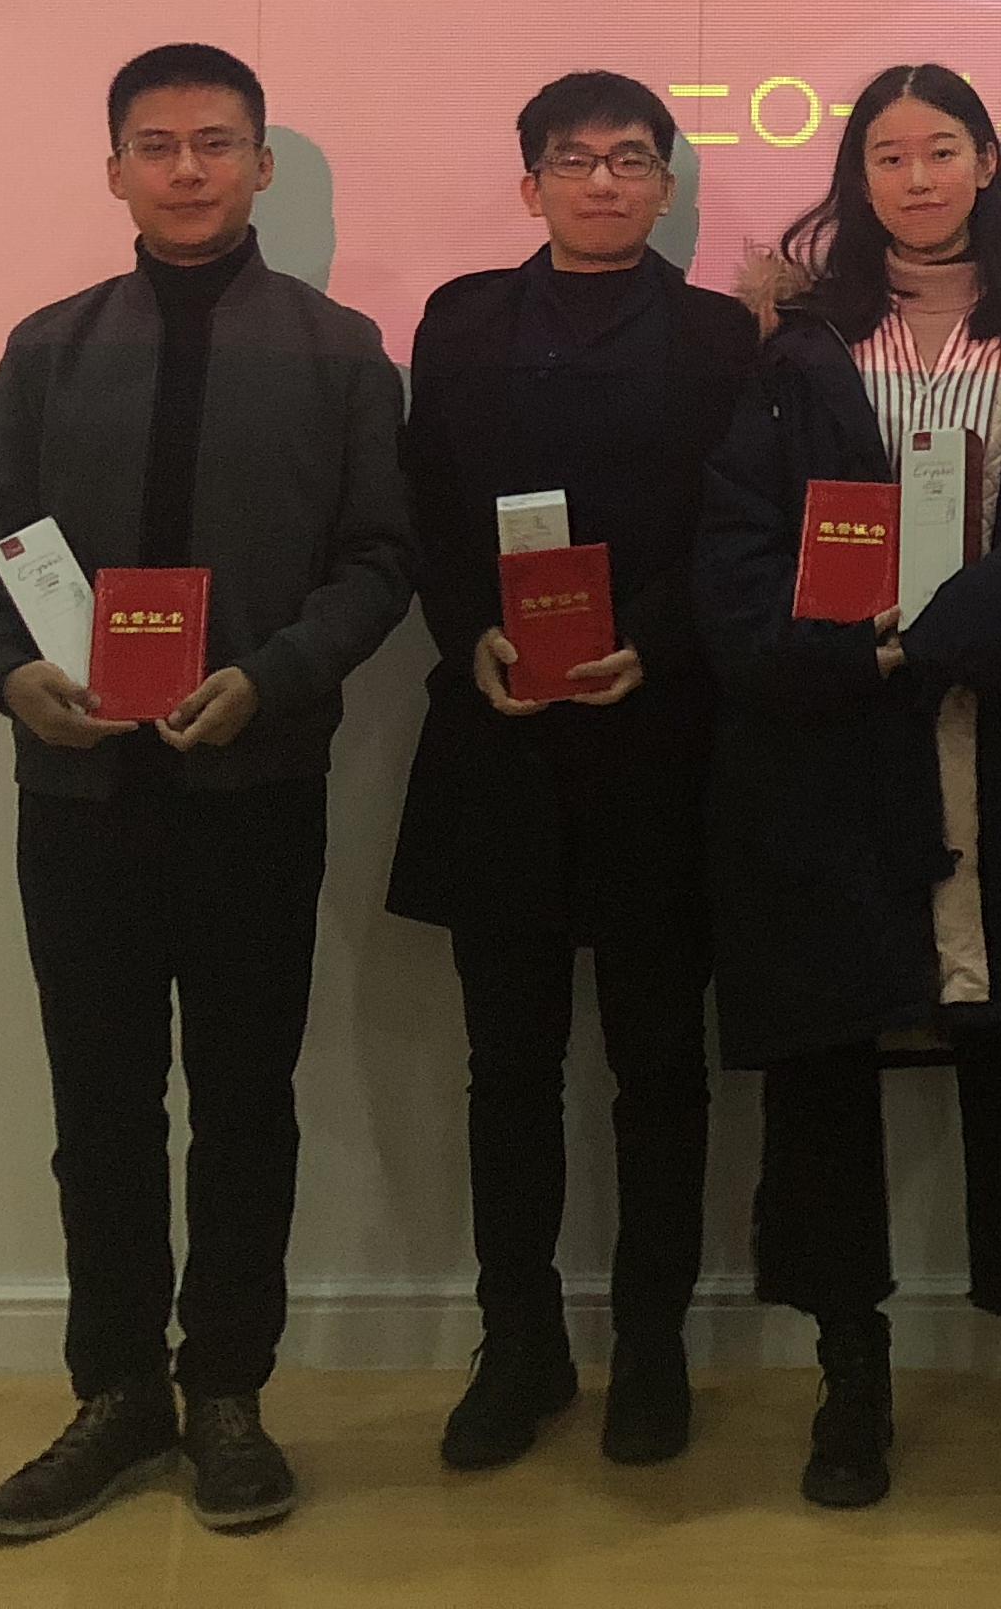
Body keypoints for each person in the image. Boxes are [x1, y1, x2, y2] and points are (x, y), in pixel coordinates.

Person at [0, 44, 413, 1541]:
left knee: (246, 1104)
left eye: (217, 142)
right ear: (115, 172)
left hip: (252, 786)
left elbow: (381, 563)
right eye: (158, 145)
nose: (189, 169)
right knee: (98, 1106)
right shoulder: (47, 348)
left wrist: (270, 678)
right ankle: (115, 1396)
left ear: (261, 165)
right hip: (78, 794)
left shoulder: (341, 351)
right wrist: (10, 676)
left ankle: (226, 1395)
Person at [692, 62, 1001, 1509]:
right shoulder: (797, 344)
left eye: (942, 150)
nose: (918, 177)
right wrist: (855, 655)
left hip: (996, 739)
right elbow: (739, 546)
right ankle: (852, 1379)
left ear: (989, 161)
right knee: (827, 1072)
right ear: (857, 177)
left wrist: (940, 637)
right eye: (889, 156)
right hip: (831, 750)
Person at [381, 74, 761, 1473]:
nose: (604, 183)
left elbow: (740, 524)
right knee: (508, 1069)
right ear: (529, 182)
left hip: (660, 739)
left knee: (660, 1067)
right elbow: (426, 510)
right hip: (503, 737)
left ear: (666, 186)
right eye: (575, 160)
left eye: (632, 160)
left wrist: (650, 641)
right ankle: (520, 1346)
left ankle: (652, 1348)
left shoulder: (720, 336)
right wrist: (469, 632)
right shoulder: (462, 320)